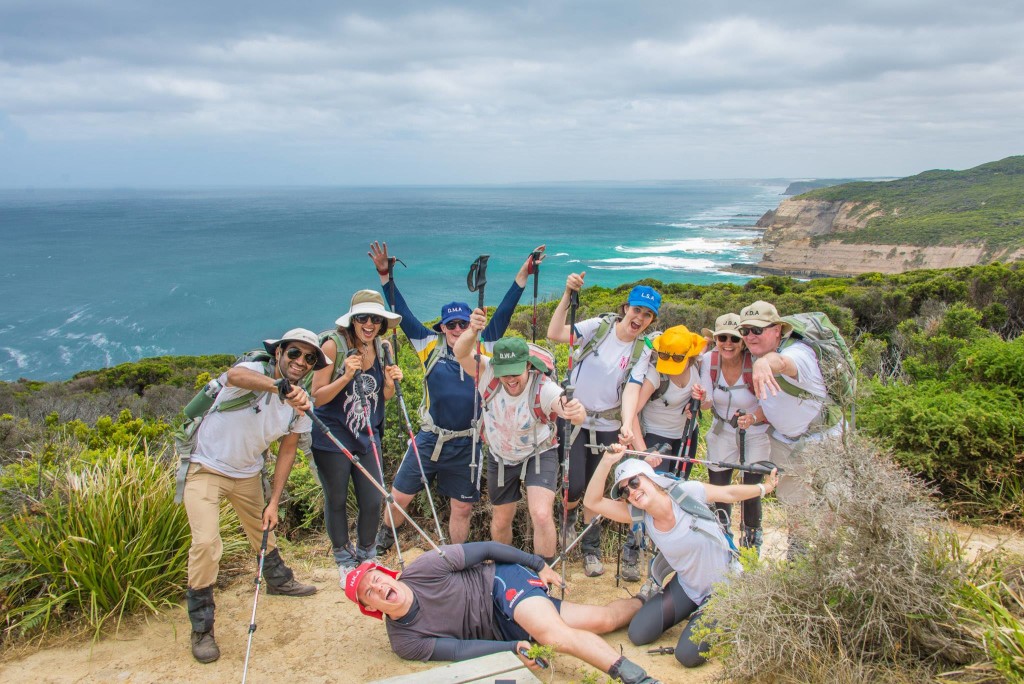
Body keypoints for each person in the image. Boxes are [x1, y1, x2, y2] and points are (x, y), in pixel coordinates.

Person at [369, 242, 545, 550]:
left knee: (461, 507)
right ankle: (382, 543)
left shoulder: (486, 343)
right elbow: (402, 312)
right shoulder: (428, 344)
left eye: (463, 323)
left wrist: (524, 273)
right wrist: (385, 276)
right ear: (442, 327)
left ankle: (455, 556)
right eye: (451, 324)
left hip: (469, 441)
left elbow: (505, 309)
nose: (457, 329)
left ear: (471, 324)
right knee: (399, 497)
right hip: (428, 437)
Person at [182, 328, 326, 664]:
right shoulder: (256, 371)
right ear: (278, 353)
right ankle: (202, 627)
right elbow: (235, 375)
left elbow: (287, 452)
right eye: (294, 353)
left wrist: (274, 501)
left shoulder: (299, 404)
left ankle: (279, 580)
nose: (301, 362)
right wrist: (279, 387)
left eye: (309, 358)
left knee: (264, 529)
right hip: (205, 467)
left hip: (247, 473)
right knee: (205, 544)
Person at [343, 542, 661, 684]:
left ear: (386, 574)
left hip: (500, 584)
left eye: (376, 579)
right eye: (368, 593)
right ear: (371, 607)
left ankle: (637, 678)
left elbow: (487, 549)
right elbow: (458, 650)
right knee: (603, 620)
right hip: (501, 629)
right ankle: (648, 598)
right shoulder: (404, 640)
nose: (377, 587)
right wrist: (510, 648)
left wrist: (538, 564)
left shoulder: (423, 567)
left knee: (554, 636)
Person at [583, 447, 778, 668]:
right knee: (638, 633)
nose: (632, 492)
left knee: (687, 656)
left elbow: (729, 494)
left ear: (651, 478)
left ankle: (720, 613)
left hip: (724, 587)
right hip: (688, 586)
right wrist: (607, 461)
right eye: (625, 492)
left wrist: (765, 487)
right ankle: (695, 611)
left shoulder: (686, 493)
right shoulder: (639, 515)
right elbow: (592, 502)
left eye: (635, 483)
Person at [547, 273, 658, 577]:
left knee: (598, 488)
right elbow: (555, 333)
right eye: (637, 310)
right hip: (573, 418)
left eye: (647, 315)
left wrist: (626, 424)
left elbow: (633, 388)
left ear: (651, 320)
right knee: (575, 485)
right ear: (626, 308)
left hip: (608, 424)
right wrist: (568, 294)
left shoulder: (643, 349)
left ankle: (590, 548)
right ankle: (567, 519)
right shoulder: (599, 327)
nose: (640, 318)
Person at [453, 309, 586, 560]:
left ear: (528, 365)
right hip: (501, 455)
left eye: (515, 371)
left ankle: (543, 573)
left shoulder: (544, 388)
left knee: (542, 514)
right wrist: (472, 330)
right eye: (504, 371)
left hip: (539, 451)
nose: (509, 378)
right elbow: (460, 352)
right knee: (502, 519)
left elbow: (568, 410)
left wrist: (575, 411)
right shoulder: (488, 375)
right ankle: (507, 569)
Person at [311, 290, 404, 577]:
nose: (369, 323)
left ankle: (366, 555)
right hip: (333, 437)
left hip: (367, 435)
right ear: (352, 320)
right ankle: (343, 560)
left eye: (375, 318)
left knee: (373, 499)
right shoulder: (332, 347)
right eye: (362, 317)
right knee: (336, 498)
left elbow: (382, 397)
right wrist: (346, 377)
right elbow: (317, 397)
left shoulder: (382, 347)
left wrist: (389, 382)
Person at [616, 324, 707, 579]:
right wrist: (644, 452)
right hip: (656, 439)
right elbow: (632, 412)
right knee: (646, 496)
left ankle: (670, 553)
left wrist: (698, 403)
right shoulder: (656, 374)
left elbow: (704, 403)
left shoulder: (697, 367)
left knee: (676, 494)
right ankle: (632, 550)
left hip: (686, 435)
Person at [737, 300, 842, 514]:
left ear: (777, 330)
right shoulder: (758, 354)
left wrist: (764, 363)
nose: (750, 336)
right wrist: (755, 417)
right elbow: (777, 402)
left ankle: (828, 547)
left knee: (833, 506)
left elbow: (783, 363)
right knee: (793, 506)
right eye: (745, 330)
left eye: (757, 329)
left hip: (821, 442)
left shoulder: (800, 354)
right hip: (786, 443)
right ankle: (798, 547)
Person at [697, 313, 770, 552]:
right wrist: (700, 399)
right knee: (719, 486)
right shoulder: (710, 361)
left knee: (752, 489)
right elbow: (707, 402)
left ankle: (752, 540)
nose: (728, 343)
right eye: (722, 338)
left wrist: (753, 418)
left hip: (756, 432)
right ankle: (722, 534)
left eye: (734, 339)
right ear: (715, 339)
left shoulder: (755, 362)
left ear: (742, 341)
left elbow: (770, 404)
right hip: (722, 431)